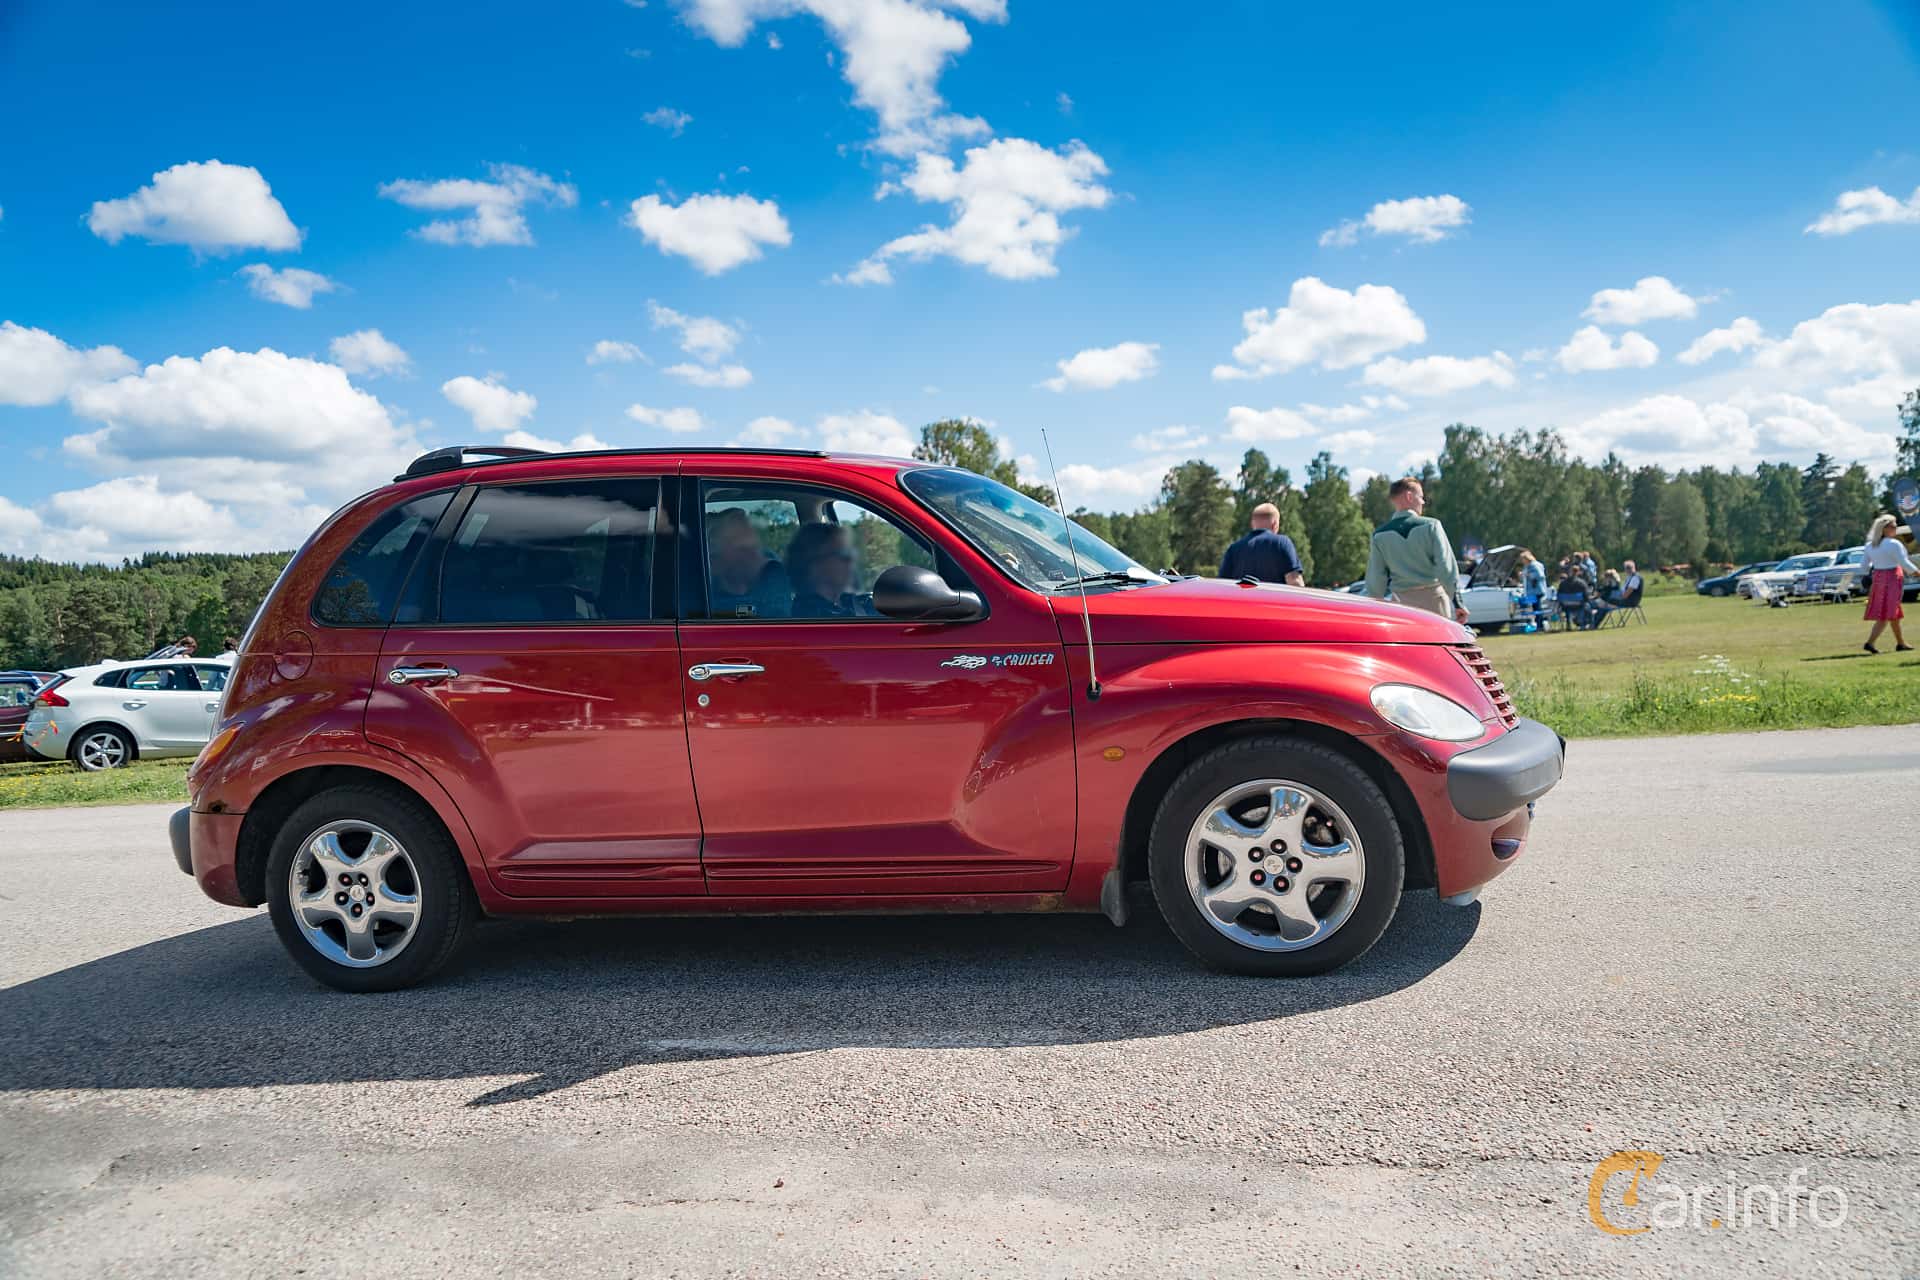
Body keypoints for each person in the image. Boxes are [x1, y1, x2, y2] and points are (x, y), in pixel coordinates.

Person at [1365, 479, 1469, 622]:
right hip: (1434, 603)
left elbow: (1376, 581)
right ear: (1409, 496)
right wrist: (1458, 602)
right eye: (1421, 497)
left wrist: (1372, 609)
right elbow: (1446, 568)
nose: (1423, 502)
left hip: (1401, 606)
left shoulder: (1379, 535)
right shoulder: (1431, 526)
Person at [706, 509, 790, 618]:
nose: (757, 556)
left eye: (756, 547)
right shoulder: (701, 607)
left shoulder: (774, 580)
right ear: (713, 561)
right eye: (743, 549)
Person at [787, 523, 876, 619]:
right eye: (843, 554)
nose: (851, 559)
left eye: (850, 552)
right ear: (816, 564)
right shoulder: (812, 618)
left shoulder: (851, 601)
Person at [1862, 514, 1918, 653]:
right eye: (1893, 526)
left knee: (1893, 612)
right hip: (1892, 577)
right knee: (1888, 612)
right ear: (1885, 529)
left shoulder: (1870, 545)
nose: (1895, 528)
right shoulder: (1893, 544)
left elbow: (1863, 566)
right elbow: (1904, 563)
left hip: (1878, 578)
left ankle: (1901, 643)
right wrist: (1917, 572)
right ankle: (1870, 642)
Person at [1218, 502, 1304, 585]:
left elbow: (1223, 584)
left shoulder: (1234, 548)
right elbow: (1295, 581)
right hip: (1272, 599)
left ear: (1252, 524)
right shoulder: (1282, 543)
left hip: (1242, 599)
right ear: (1275, 524)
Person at [1516, 549, 1550, 631]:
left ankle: (1540, 626)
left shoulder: (1534, 565)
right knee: (1536, 608)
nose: (1522, 561)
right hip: (1532, 590)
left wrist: (1527, 575)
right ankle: (1539, 625)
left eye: (1523, 559)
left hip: (1537, 590)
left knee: (1538, 609)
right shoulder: (1528, 566)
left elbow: (1540, 576)